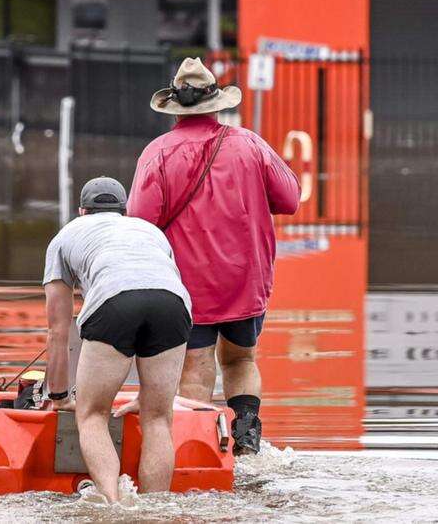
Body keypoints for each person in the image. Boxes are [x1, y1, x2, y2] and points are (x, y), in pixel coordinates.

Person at [124, 57, 301, 455]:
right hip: (247, 278)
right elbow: (290, 199)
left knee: (195, 367)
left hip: (188, 285)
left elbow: (138, 225)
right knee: (241, 360)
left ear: (174, 106)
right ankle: (247, 439)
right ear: (216, 102)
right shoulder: (249, 144)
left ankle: (200, 449)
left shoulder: (158, 153)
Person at [41, 176, 193, 503]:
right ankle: (155, 510)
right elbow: (157, 290)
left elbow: (58, 330)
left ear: (81, 210)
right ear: (124, 211)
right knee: (158, 418)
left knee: (92, 414)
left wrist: (59, 395)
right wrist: (152, 396)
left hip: (114, 302)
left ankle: (112, 507)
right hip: (174, 304)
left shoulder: (65, 236)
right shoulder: (150, 231)